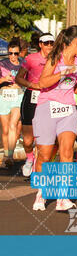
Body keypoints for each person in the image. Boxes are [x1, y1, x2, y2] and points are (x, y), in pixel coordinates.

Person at [32, 25, 77, 211]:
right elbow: (42, 82)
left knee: (66, 153)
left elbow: (76, 85)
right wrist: (63, 72)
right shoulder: (55, 58)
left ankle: (62, 197)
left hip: (68, 109)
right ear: (74, 41)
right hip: (47, 108)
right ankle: (41, 192)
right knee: (46, 155)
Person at [16, 33, 54, 177]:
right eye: (46, 43)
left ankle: (39, 164)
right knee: (28, 139)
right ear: (40, 44)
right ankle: (30, 159)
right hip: (31, 97)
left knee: (43, 137)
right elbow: (18, 78)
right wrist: (33, 85)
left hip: (48, 98)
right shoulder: (31, 59)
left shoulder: (57, 59)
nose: (49, 46)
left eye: (51, 43)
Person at [0, 39, 24, 168]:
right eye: (10, 53)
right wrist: (4, 79)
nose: (13, 56)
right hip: (4, 97)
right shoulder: (2, 64)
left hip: (17, 96)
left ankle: (10, 155)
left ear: (19, 53)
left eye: (15, 53)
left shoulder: (23, 64)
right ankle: (6, 154)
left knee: (13, 125)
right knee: (5, 129)